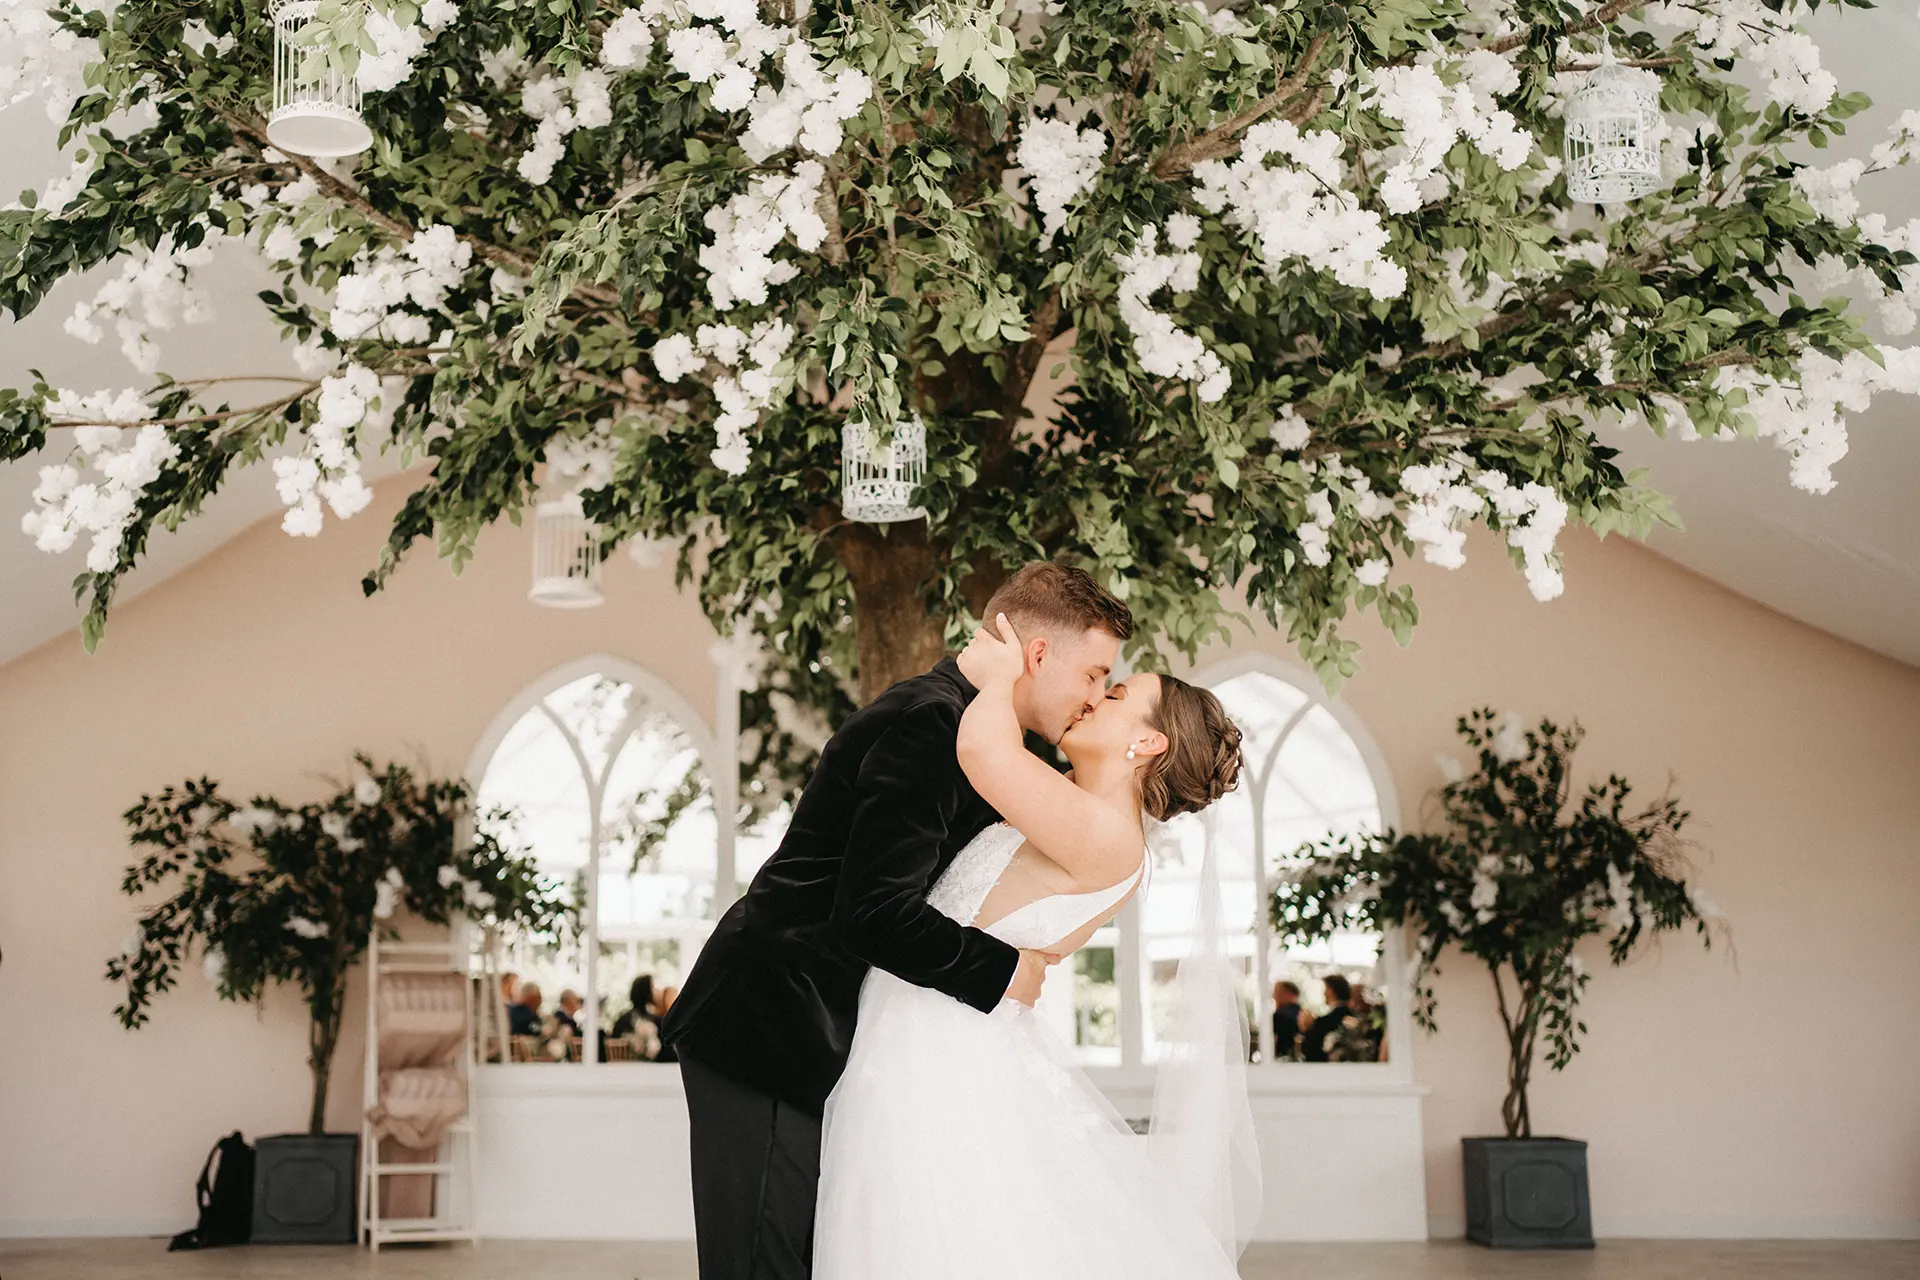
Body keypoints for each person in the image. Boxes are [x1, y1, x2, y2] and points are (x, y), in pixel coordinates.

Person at [662, 563, 1131, 1280]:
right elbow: (874, 914)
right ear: (1037, 656)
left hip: (817, 1035)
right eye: (1095, 674)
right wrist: (1008, 970)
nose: (1094, 696)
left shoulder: (983, 733)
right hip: (769, 1026)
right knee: (763, 1263)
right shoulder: (931, 723)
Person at [812, 611, 1254, 1279]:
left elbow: (986, 753)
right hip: (928, 1030)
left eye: (1114, 696)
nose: (1093, 699)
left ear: (1148, 745)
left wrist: (998, 674)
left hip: (939, 1048)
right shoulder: (1069, 804)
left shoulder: (1110, 835)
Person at [1300, 974, 1352, 1062]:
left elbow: (1310, 1051)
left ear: (1332, 990)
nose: (1324, 993)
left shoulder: (1324, 1022)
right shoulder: (1354, 1016)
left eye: (1326, 989)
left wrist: (1307, 1029)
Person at [1272, 979, 1308, 1062]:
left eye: (1277, 993)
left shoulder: (1279, 1017)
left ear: (1287, 993)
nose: (1273, 996)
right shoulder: (1304, 1014)